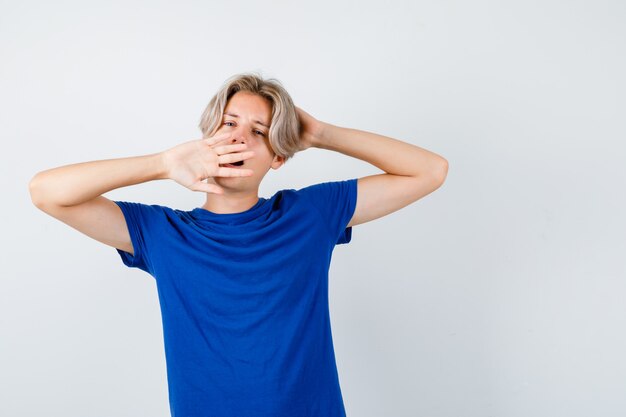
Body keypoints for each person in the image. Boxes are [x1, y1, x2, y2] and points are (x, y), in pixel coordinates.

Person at [29, 72, 448, 417]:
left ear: (278, 157)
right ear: (207, 136)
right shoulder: (161, 233)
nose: (239, 138)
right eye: (229, 124)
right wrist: (160, 164)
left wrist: (321, 133)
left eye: (259, 131)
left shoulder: (310, 215)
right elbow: (46, 192)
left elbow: (429, 171)